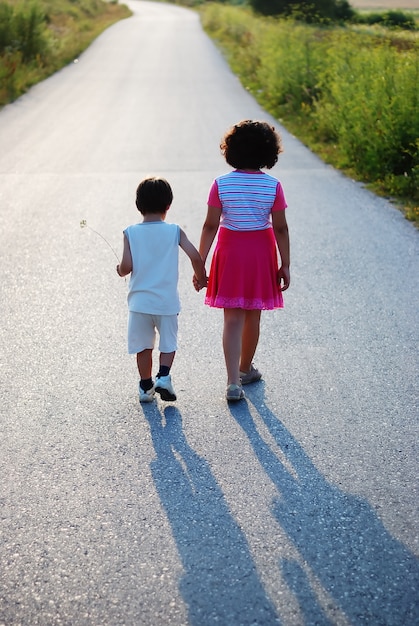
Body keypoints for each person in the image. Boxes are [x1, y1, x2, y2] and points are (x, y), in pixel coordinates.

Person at [196, 120, 290, 401]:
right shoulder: (273, 186)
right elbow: (281, 228)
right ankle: (246, 368)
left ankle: (233, 382)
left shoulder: (221, 184)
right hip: (260, 252)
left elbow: (210, 225)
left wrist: (200, 264)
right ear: (269, 152)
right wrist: (285, 263)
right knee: (253, 314)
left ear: (231, 150)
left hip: (230, 250)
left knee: (232, 318)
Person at [117, 177, 207, 403]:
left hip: (139, 304)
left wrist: (119, 269)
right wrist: (201, 277)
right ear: (168, 205)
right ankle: (164, 376)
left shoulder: (130, 232)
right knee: (168, 342)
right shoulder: (174, 231)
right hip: (166, 303)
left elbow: (126, 267)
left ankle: (146, 387)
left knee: (143, 346)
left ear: (138, 205)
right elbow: (195, 256)